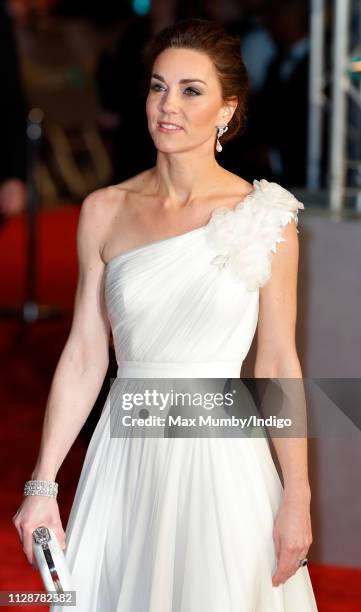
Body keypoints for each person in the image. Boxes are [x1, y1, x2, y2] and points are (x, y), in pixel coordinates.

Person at [13, 18, 318, 611]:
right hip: (125, 457)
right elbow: (83, 352)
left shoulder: (266, 216)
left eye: (191, 90)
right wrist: (43, 485)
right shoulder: (105, 209)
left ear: (226, 110)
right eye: (158, 87)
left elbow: (279, 361)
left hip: (222, 461)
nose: (168, 105)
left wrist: (297, 497)